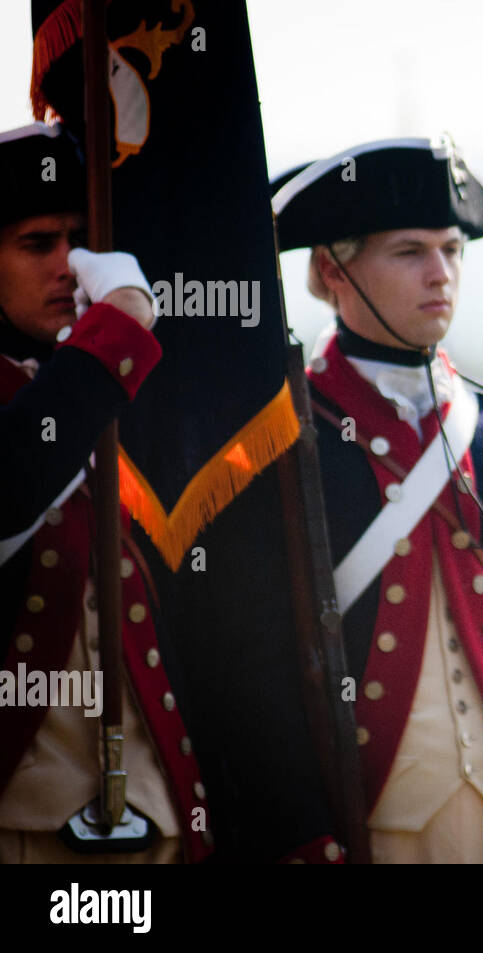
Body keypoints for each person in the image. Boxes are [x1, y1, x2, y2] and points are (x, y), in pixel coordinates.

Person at [272, 136, 483, 863]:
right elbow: (253, 658)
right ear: (333, 268)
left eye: (452, 249)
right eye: (409, 252)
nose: (441, 274)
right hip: (363, 819)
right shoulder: (281, 436)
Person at [0, 122, 212, 862]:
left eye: (82, 239)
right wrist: (116, 330)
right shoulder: (104, 372)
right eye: (37, 244)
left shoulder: (125, 388)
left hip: (154, 813)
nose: (69, 266)